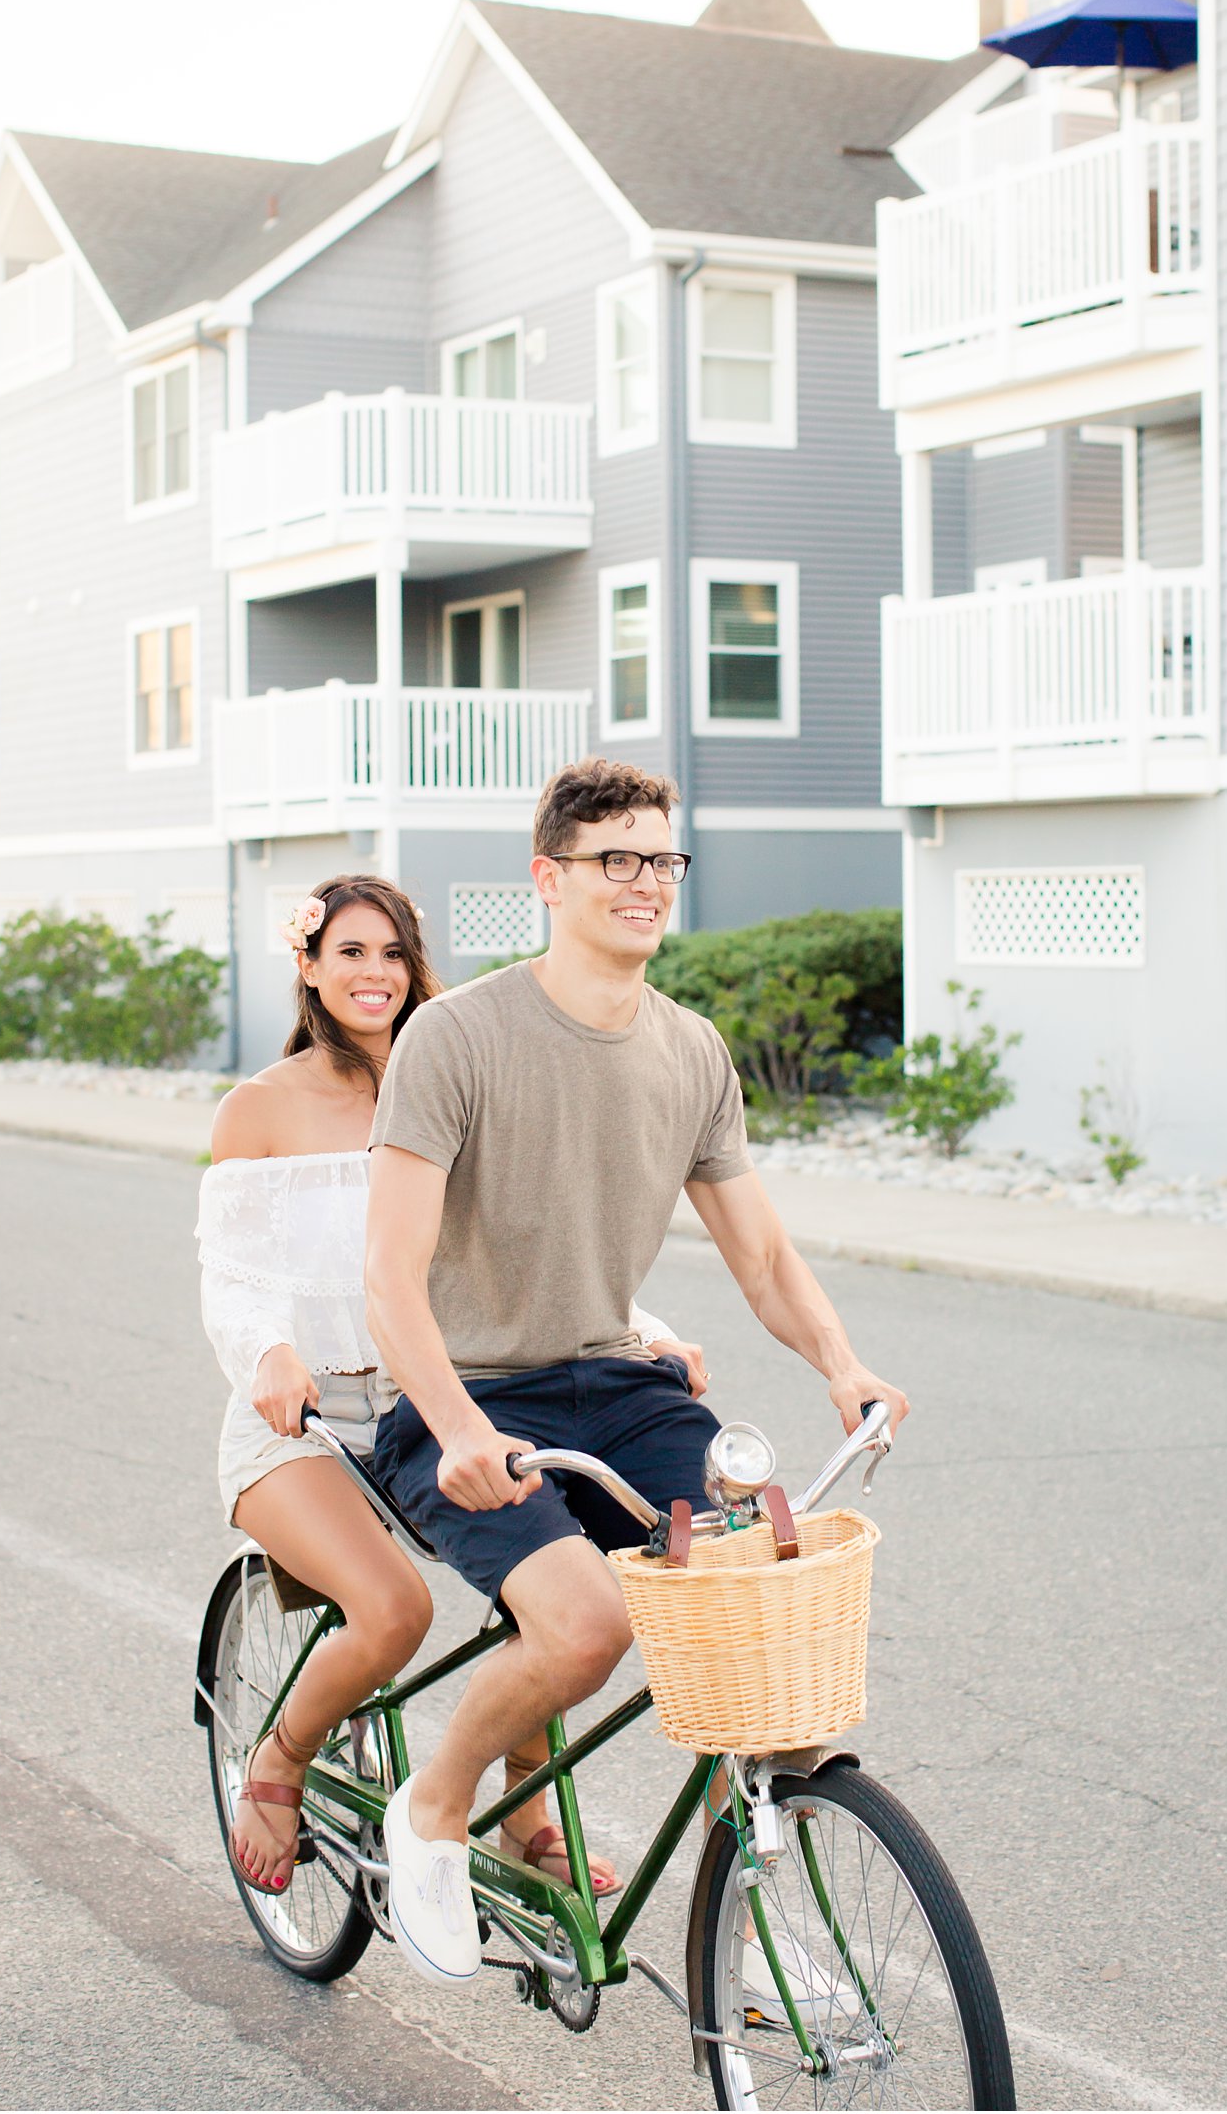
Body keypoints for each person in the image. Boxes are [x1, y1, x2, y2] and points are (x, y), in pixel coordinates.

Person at [364, 758, 912, 1990]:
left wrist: (842, 1363)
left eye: (661, 859)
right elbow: (389, 1279)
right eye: (615, 858)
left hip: (615, 1385)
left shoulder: (690, 1050)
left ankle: (770, 1929)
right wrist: (453, 1425)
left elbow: (759, 1253)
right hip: (461, 1400)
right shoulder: (456, 1036)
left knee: (757, 1617)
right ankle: (435, 1810)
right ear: (548, 879)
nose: (645, 882)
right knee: (589, 1625)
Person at [199, 872, 702, 1895]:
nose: (373, 974)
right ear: (307, 966)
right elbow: (233, 1273)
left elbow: (529, 1251)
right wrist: (268, 1356)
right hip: (308, 1421)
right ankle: (281, 1756)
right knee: (391, 1614)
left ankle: (521, 1811)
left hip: (455, 1397)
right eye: (348, 952)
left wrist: (642, 1331)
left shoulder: (463, 1076)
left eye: (391, 953)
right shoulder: (260, 1107)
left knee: (561, 1571)